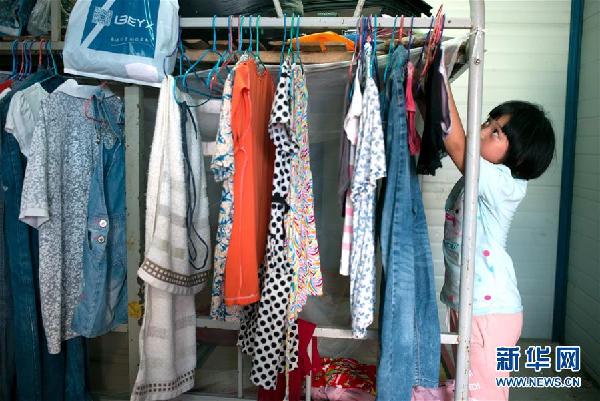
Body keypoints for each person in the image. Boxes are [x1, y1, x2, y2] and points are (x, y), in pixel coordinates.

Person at [440, 82, 556, 401]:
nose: (481, 131)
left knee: (483, 395)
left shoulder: (504, 185)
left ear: (518, 156)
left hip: (489, 312)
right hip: (465, 303)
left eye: (495, 132)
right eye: (487, 122)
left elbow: (458, 146)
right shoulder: (481, 177)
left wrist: (440, 79)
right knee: (461, 390)